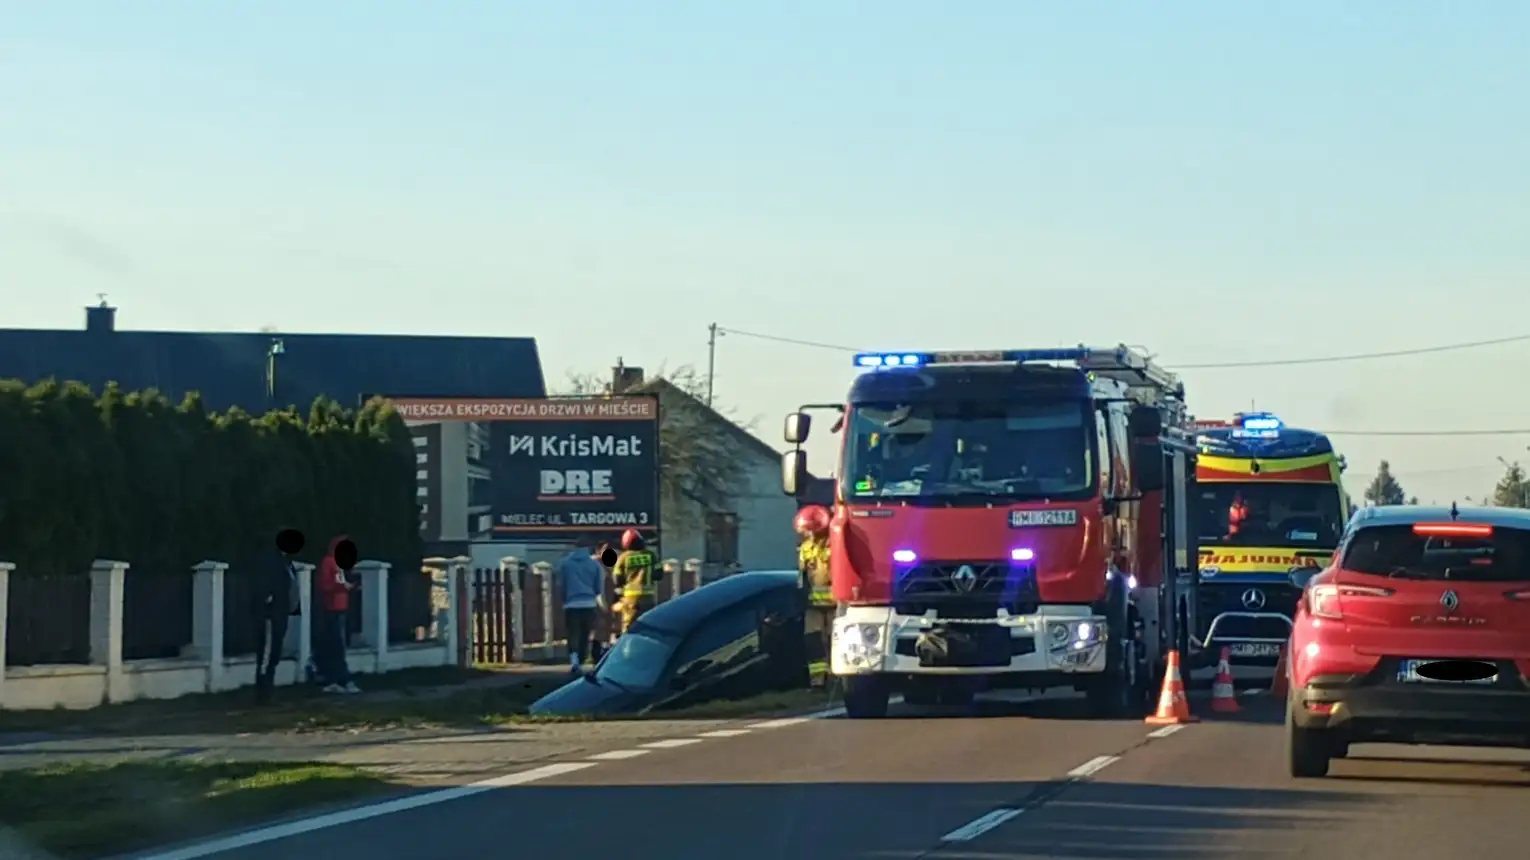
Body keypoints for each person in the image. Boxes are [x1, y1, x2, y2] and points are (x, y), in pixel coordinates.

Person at [254, 534, 302, 705]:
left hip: (281, 613)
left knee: (275, 653)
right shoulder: (271, 560)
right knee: (267, 654)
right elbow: (266, 583)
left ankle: (269, 688)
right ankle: (263, 692)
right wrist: (268, 597)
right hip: (271, 614)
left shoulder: (287, 562)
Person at [315, 535, 360, 694]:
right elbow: (326, 584)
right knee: (337, 645)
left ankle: (334, 678)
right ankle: (341, 679)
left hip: (340, 606)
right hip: (333, 607)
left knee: (337, 644)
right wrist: (342, 587)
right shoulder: (329, 562)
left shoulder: (337, 563)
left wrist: (347, 587)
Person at [557, 535, 606, 673]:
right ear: (588, 548)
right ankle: (582, 658)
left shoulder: (565, 563)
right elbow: (598, 588)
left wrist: (564, 599)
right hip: (589, 603)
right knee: (585, 633)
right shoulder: (594, 564)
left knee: (572, 633)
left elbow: (562, 585)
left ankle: (574, 660)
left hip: (571, 604)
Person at [795, 506, 834, 668]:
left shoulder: (834, 546)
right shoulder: (805, 548)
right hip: (812, 606)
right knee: (813, 641)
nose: (807, 534)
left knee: (834, 641)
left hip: (835, 605)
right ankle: (817, 680)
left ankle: (835, 677)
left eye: (810, 530)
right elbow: (802, 577)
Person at [610, 529, 659, 637]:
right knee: (649, 625)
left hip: (630, 599)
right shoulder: (651, 555)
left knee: (629, 628)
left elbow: (617, 579)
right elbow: (659, 574)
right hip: (648, 597)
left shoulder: (623, 558)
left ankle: (628, 650)